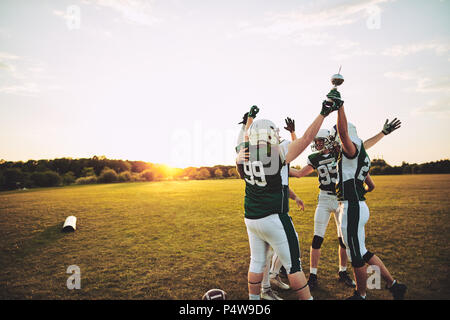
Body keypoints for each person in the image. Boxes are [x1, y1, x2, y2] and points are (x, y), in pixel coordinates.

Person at [285, 117, 402, 290]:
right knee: (322, 239)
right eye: (316, 141)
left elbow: (363, 144)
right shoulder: (319, 157)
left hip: (345, 202)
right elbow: (301, 171)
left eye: (320, 141)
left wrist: (382, 133)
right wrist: (280, 167)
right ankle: (315, 275)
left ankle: (346, 274)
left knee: (346, 243)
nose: (317, 144)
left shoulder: (342, 152)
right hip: (328, 199)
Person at [236, 101, 336, 300]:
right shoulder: (277, 153)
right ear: (271, 134)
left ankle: (254, 302)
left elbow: (242, 139)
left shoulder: (243, 150)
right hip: (274, 217)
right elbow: (308, 138)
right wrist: (323, 113)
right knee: (294, 266)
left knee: (256, 262)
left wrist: (247, 122)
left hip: (251, 218)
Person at [327, 89, 407, 300]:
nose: (337, 140)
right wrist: (383, 133)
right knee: (362, 251)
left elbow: (344, 134)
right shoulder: (360, 152)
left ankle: (360, 294)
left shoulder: (350, 149)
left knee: (356, 255)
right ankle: (395, 285)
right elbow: (370, 183)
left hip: (352, 206)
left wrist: (340, 107)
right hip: (357, 205)